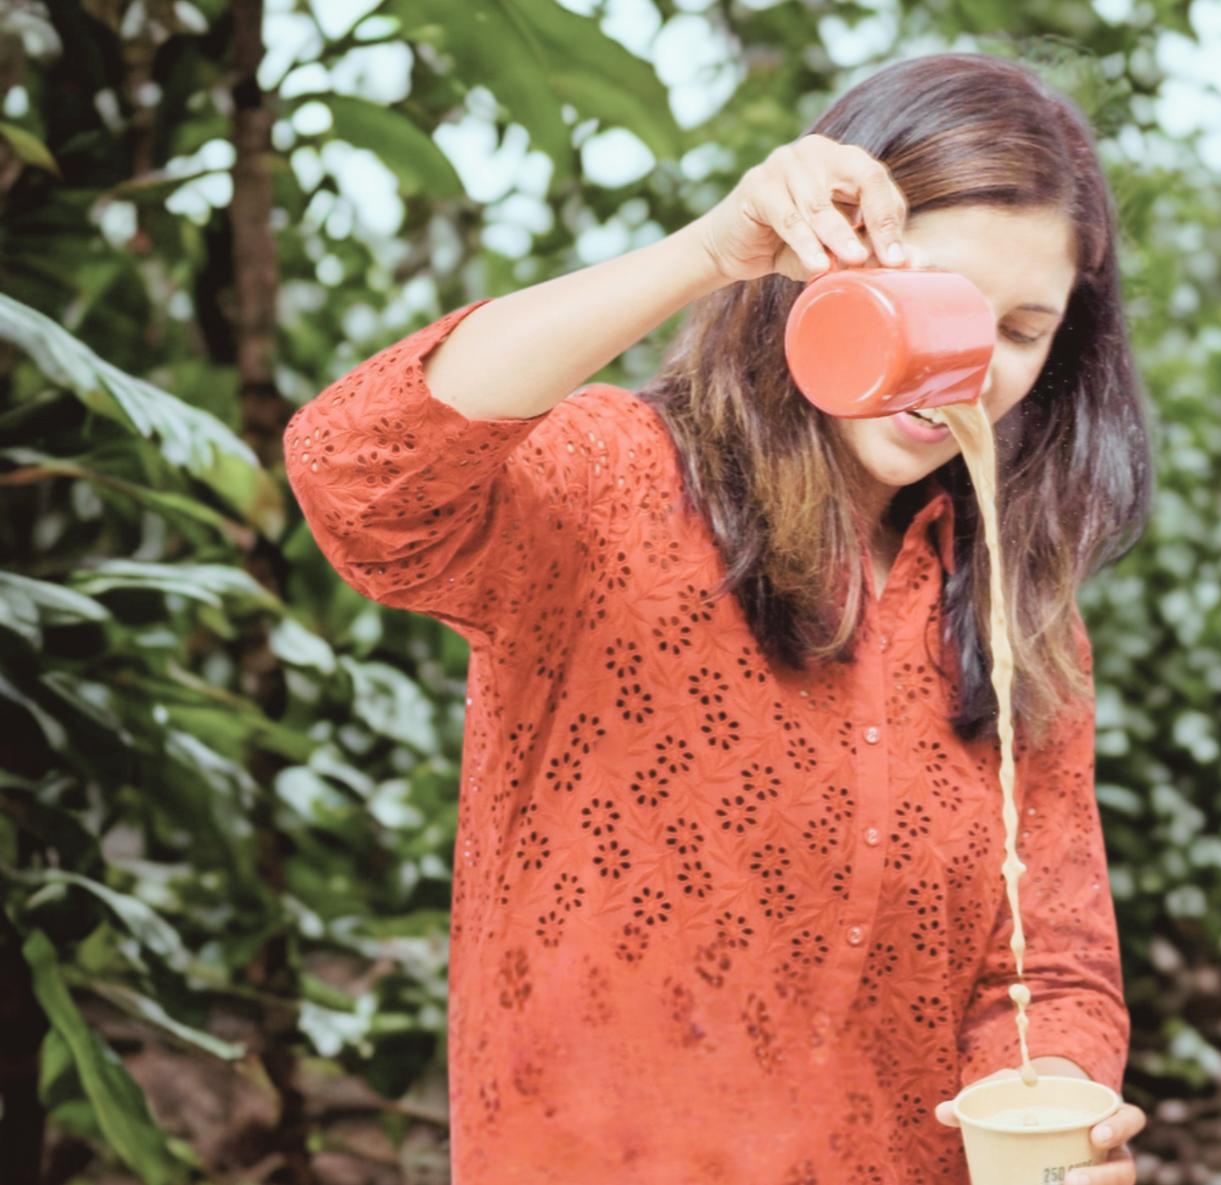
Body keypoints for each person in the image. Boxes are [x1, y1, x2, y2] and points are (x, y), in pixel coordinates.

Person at [286, 52, 1151, 1185]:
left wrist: (1067, 1106)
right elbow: (362, 473)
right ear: (815, 271)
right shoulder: (617, 486)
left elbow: (1046, 969)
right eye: (935, 299)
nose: (970, 365)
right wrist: (706, 253)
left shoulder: (1012, 607)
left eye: (1024, 330)